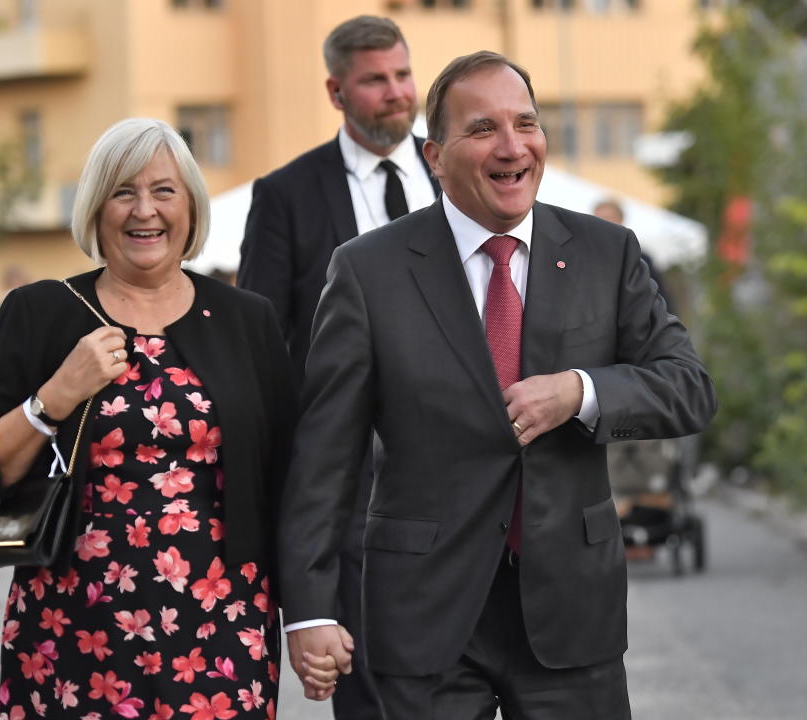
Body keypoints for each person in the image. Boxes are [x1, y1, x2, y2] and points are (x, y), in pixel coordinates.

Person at [278, 51, 718, 719]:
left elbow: (688, 388)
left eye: (527, 124)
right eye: (483, 128)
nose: (513, 147)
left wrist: (580, 391)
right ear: (434, 155)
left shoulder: (608, 253)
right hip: (424, 615)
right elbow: (324, 455)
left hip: (572, 612)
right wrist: (307, 609)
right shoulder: (369, 272)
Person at [0, 118, 320, 719]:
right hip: (72, 625)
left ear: (191, 207)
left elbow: (289, 482)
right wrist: (53, 400)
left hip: (223, 624)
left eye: (163, 191)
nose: (144, 210)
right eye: (123, 192)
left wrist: (309, 612)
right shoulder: (40, 312)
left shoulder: (246, 319)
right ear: (96, 209)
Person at [237, 15, 438, 718]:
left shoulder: (459, 178)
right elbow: (258, 343)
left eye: (404, 75)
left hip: (454, 463)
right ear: (336, 90)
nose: (396, 92)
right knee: (365, 682)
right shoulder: (285, 195)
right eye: (376, 80)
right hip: (346, 478)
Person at [592, 198, 674, 311]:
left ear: (621, 221)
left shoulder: (641, 257)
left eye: (609, 218)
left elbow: (659, 298)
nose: (604, 223)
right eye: (598, 219)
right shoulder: (584, 257)